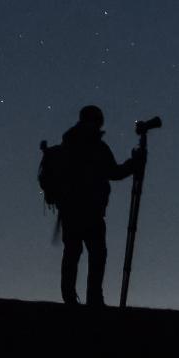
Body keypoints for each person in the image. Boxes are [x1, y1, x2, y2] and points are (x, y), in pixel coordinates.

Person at [54, 104, 142, 307]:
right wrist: (133, 164)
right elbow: (114, 172)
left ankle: (69, 297)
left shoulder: (68, 144)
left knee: (73, 253)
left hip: (71, 210)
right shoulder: (95, 146)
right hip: (90, 210)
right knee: (96, 254)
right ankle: (93, 298)